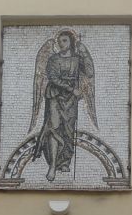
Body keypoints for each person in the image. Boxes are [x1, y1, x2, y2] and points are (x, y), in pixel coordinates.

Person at [35, 31, 92, 181]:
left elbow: (90, 72)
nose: (61, 44)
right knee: (54, 128)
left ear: (71, 41)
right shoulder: (53, 59)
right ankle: (53, 165)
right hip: (55, 96)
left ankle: (65, 162)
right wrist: (71, 89)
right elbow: (53, 78)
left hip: (71, 100)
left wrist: (84, 53)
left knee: (68, 130)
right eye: (60, 41)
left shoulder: (77, 58)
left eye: (65, 41)